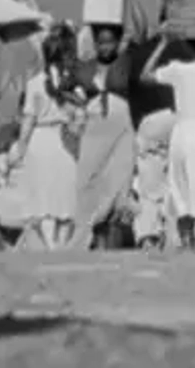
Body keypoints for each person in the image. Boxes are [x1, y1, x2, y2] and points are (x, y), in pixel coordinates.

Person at [0, 31, 81, 249]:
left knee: (45, 198)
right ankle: (62, 245)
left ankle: (50, 245)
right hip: (65, 139)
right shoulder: (73, 84)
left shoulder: (35, 83)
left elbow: (29, 119)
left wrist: (21, 146)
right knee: (66, 197)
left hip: (40, 140)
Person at [137, 35, 195, 251]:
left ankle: (188, 243)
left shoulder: (179, 69)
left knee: (181, 191)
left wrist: (162, 44)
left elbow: (145, 76)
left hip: (182, 133)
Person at [68, 24, 138, 249]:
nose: (105, 47)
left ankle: (110, 243)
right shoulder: (84, 67)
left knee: (119, 183)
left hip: (123, 129)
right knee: (87, 182)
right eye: (100, 42)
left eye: (110, 42)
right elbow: (63, 86)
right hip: (94, 130)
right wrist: (79, 102)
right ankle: (82, 238)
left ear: (118, 43)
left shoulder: (127, 63)